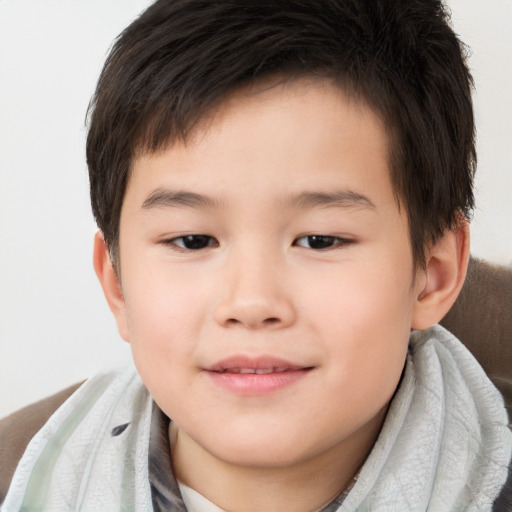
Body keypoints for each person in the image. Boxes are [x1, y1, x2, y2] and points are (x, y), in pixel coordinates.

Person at [1, 0, 511, 510]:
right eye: (193, 241)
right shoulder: (19, 475)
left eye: (319, 240)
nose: (251, 302)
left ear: (434, 275)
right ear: (117, 284)